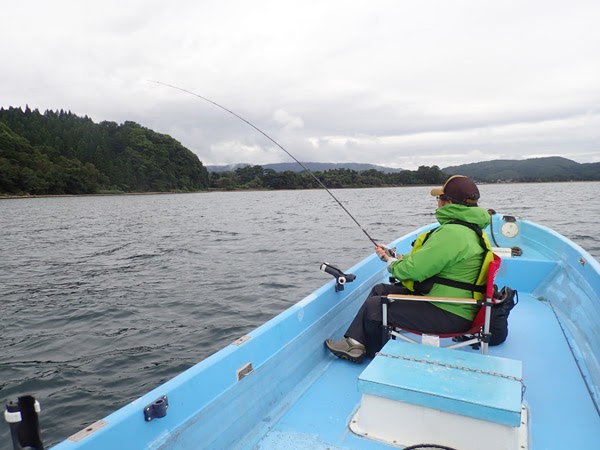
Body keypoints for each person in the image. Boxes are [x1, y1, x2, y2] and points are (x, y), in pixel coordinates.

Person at [324, 175, 494, 363]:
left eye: (439, 198)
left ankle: (373, 355)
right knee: (380, 291)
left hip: (450, 312)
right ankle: (355, 343)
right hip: (455, 304)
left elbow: (412, 272)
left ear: (448, 202)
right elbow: (435, 264)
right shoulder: (472, 230)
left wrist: (391, 263)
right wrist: (394, 257)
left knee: (376, 306)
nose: (437, 202)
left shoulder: (453, 233)